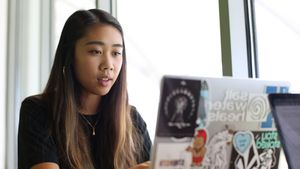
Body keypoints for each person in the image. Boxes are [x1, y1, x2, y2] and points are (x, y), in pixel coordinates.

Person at [18, 9, 152, 169]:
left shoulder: (131, 119)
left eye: (116, 53)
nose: (108, 65)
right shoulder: (38, 111)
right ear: (70, 55)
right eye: (96, 51)